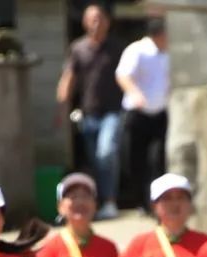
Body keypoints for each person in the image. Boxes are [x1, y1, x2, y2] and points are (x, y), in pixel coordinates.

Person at [57, 4, 123, 220]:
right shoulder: (78, 48)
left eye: (100, 19)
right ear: (85, 23)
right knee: (95, 161)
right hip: (88, 114)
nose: (96, 23)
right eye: (92, 19)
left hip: (113, 111)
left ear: (107, 22)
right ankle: (100, 203)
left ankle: (111, 201)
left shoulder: (116, 47)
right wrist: (61, 108)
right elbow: (69, 78)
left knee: (106, 153)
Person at [116, 17, 169, 212]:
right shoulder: (137, 50)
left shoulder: (169, 54)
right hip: (137, 114)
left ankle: (154, 202)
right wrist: (135, 93)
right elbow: (122, 75)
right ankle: (140, 201)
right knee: (133, 159)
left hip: (160, 114)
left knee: (157, 159)